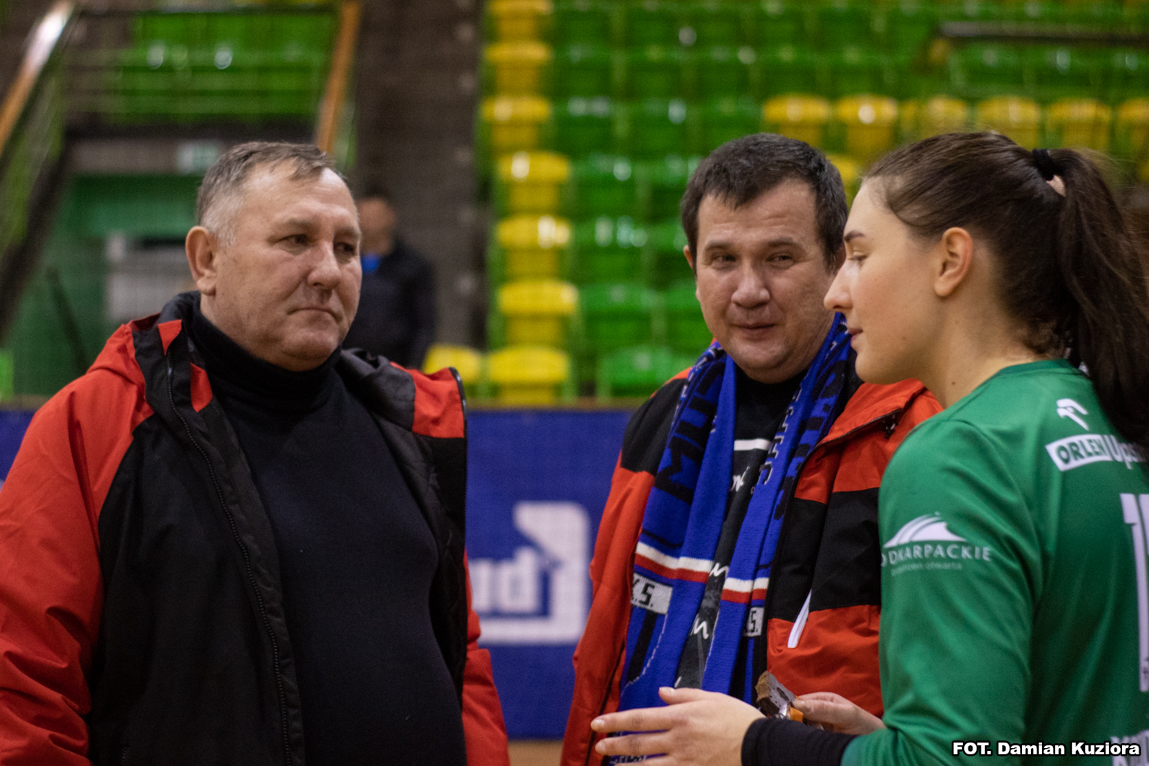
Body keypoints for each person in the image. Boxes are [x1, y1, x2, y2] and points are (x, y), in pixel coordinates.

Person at [590, 132, 1149, 765]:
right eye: (722, 260)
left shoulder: (958, 450)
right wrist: (884, 742)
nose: (839, 291)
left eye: (857, 256)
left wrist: (756, 744)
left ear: (950, 261)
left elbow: (952, 759)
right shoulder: (1104, 415)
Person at [0, 142, 510, 766]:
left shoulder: (409, 426)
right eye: (296, 240)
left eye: (346, 248)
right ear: (207, 259)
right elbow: (21, 683)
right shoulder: (96, 426)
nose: (329, 271)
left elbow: (459, 655)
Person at [561, 133, 940, 766]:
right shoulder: (664, 414)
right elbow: (609, 635)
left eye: (779, 258)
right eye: (723, 260)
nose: (748, 290)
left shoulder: (906, 422)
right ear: (692, 266)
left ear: (837, 262)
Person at [341, 187, 436, 368]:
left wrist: (412, 368)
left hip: (396, 365)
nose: (370, 223)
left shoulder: (413, 266)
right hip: (349, 365)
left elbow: (424, 324)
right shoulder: (344, 263)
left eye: (376, 216)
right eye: (365, 216)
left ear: (391, 216)